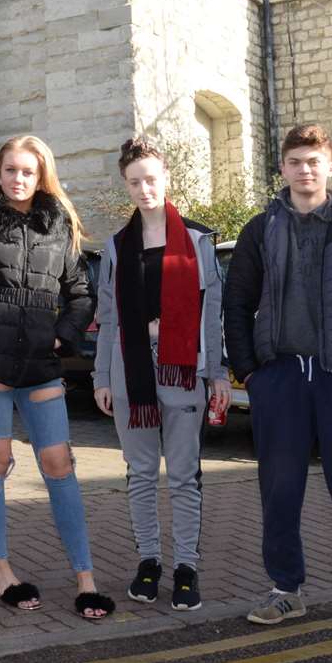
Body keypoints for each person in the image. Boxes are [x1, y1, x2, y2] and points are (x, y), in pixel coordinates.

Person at [222, 123, 332, 629]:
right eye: (296, 161)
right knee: (279, 487)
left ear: (331, 167)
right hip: (279, 375)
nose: (305, 170)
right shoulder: (262, 229)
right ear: (282, 168)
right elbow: (237, 303)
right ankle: (285, 589)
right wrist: (250, 372)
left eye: (314, 161)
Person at [0, 136, 111, 620]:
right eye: (10, 170)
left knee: (58, 461)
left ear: (41, 175)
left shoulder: (59, 226)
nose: (18, 179)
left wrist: (60, 338)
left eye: (27, 172)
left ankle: (86, 579)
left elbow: (80, 294)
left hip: (39, 366)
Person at [92, 137, 230, 610]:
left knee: (184, 476)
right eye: (135, 182)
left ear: (165, 178)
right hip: (130, 371)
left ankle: (186, 567)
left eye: (151, 179)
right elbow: (108, 317)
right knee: (142, 472)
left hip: (182, 370)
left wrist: (217, 374)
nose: (144, 189)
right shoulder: (115, 247)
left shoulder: (196, 240)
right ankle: (149, 561)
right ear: (126, 185)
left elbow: (212, 313)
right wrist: (101, 378)